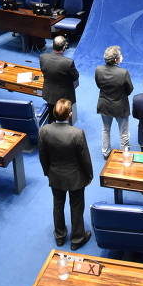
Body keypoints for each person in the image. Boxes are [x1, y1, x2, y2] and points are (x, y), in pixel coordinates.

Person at [38, 99, 93, 249]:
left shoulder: (44, 130)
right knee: (76, 207)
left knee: (58, 205)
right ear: (69, 114)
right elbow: (85, 159)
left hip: (55, 175)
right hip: (76, 177)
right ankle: (77, 239)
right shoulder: (77, 133)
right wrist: (89, 175)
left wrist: (48, 172)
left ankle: (60, 236)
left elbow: (43, 156)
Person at [95, 45, 133, 159]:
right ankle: (124, 154)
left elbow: (99, 85)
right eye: (120, 55)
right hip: (120, 107)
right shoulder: (123, 73)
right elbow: (129, 89)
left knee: (105, 129)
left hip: (104, 105)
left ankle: (106, 153)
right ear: (116, 59)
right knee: (124, 133)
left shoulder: (98, 69)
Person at [40, 36, 79, 119]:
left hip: (49, 93)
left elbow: (44, 71)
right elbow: (75, 77)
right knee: (64, 117)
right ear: (64, 47)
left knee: (51, 115)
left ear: (53, 45)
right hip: (64, 96)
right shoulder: (68, 63)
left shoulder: (42, 57)